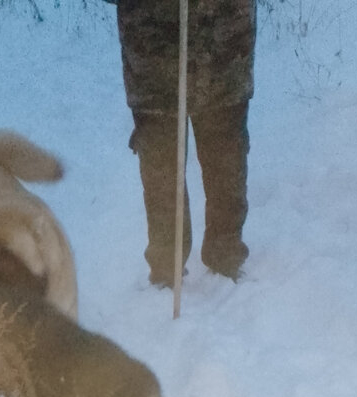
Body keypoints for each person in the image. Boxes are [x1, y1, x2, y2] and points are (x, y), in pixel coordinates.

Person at [106, 0, 257, 286]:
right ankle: (166, 268)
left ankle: (226, 256)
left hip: (224, 47)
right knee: (161, 168)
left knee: (227, 161)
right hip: (152, 53)